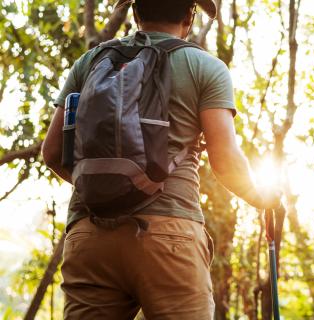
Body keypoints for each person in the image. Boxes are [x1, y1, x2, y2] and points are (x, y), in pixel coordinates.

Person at [41, 0, 280, 318]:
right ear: (189, 16)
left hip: (90, 234)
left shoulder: (90, 62)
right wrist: (264, 199)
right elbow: (225, 161)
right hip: (169, 235)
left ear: (135, 13)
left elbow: (52, 152)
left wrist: (110, 187)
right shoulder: (205, 67)